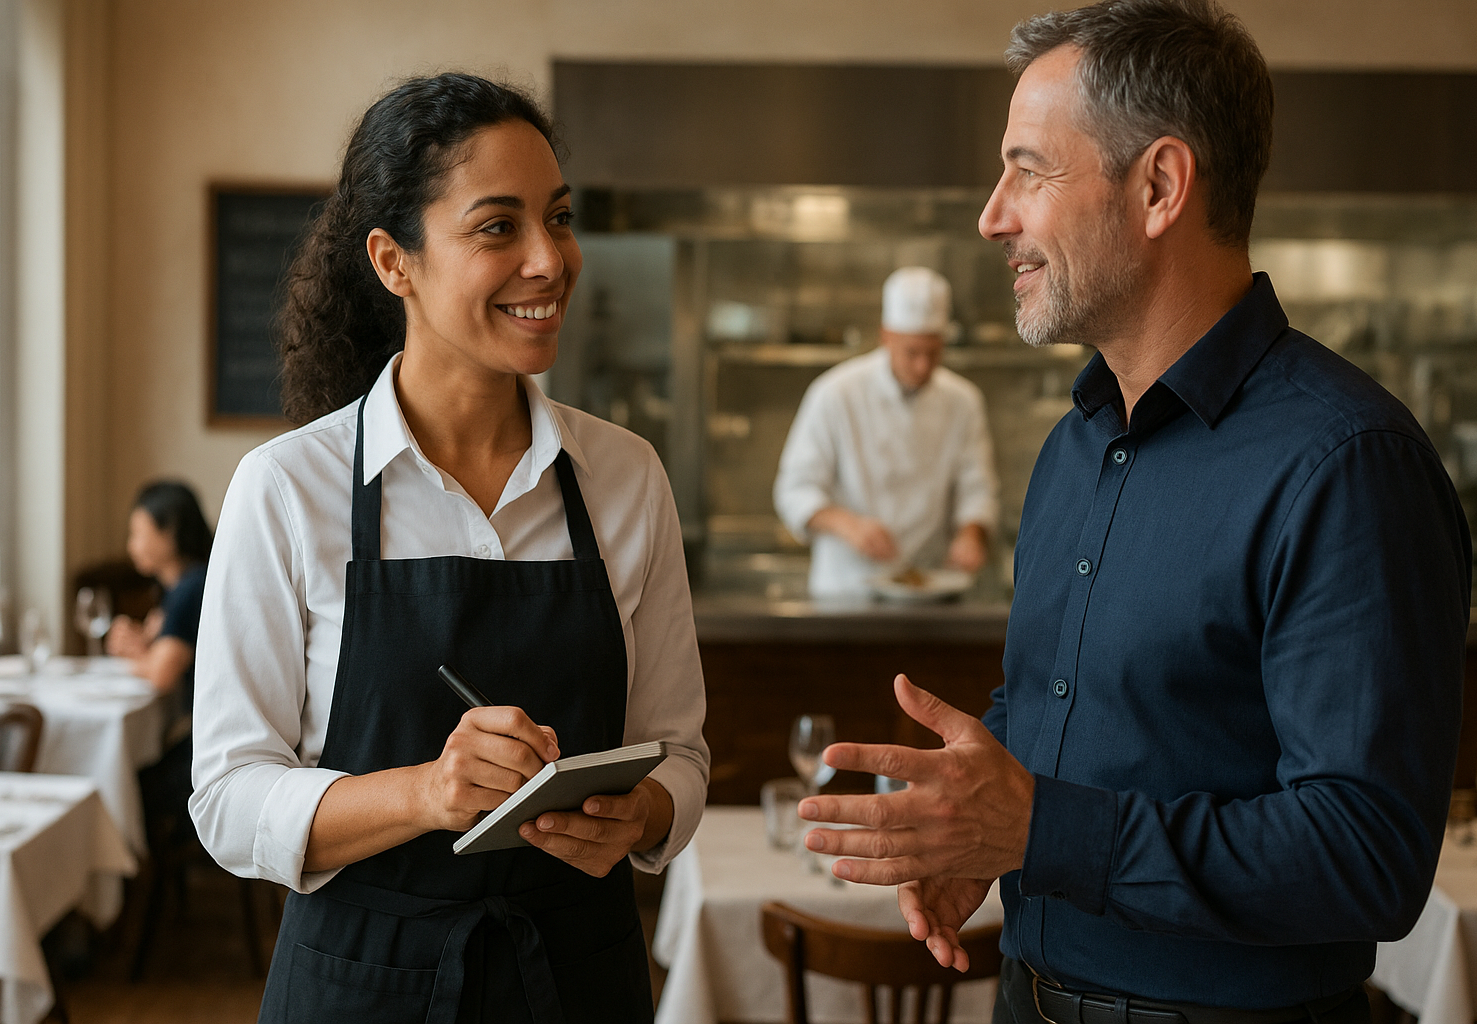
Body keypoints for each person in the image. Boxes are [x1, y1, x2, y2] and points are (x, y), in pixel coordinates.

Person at [797, 2, 1469, 1021]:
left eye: (1029, 170)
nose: (993, 216)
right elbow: (1052, 702)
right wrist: (975, 824)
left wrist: (1040, 830)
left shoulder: (1348, 463)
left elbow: (1367, 855)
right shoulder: (1075, 445)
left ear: (1159, 187)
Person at [190, 73, 708, 1023]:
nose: (549, 260)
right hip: (358, 987)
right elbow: (227, 797)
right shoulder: (287, 490)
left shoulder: (627, 478)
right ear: (394, 261)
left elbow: (680, 753)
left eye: (559, 219)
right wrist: (425, 793)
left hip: (579, 983)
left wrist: (642, 812)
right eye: (498, 227)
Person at [774, 267, 999, 598]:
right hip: (846, 588)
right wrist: (849, 525)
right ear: (886, 336)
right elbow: (794, 490)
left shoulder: (963, 401)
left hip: (931, 585)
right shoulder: (835, 393)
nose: (923, 366)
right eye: (912, 352)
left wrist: (971, 534)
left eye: (933, 353)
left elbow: (977, 488)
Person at [105, 480, 213, 697]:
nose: (131, 547)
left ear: (170, 530)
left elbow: (161, 674)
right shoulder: (187, 583)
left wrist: (132, 656)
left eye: (138, 534)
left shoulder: (191, 588)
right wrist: (144, 645)